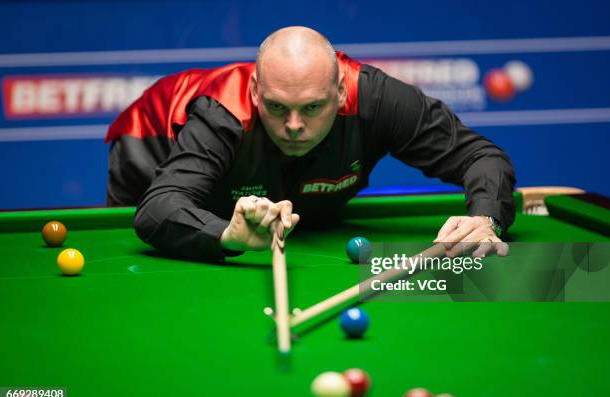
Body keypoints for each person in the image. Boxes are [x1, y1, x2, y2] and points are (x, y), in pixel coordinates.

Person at [105, 26, 515, 261]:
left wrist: (486, 219)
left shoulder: (378, 101)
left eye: (313, 106)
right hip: (151, 142)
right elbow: (157, 208)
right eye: (277, 107)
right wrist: (224, 236)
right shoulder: (222, 115)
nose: (294, 126)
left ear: (339, 91)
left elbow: (481, 157)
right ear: (254, 91)